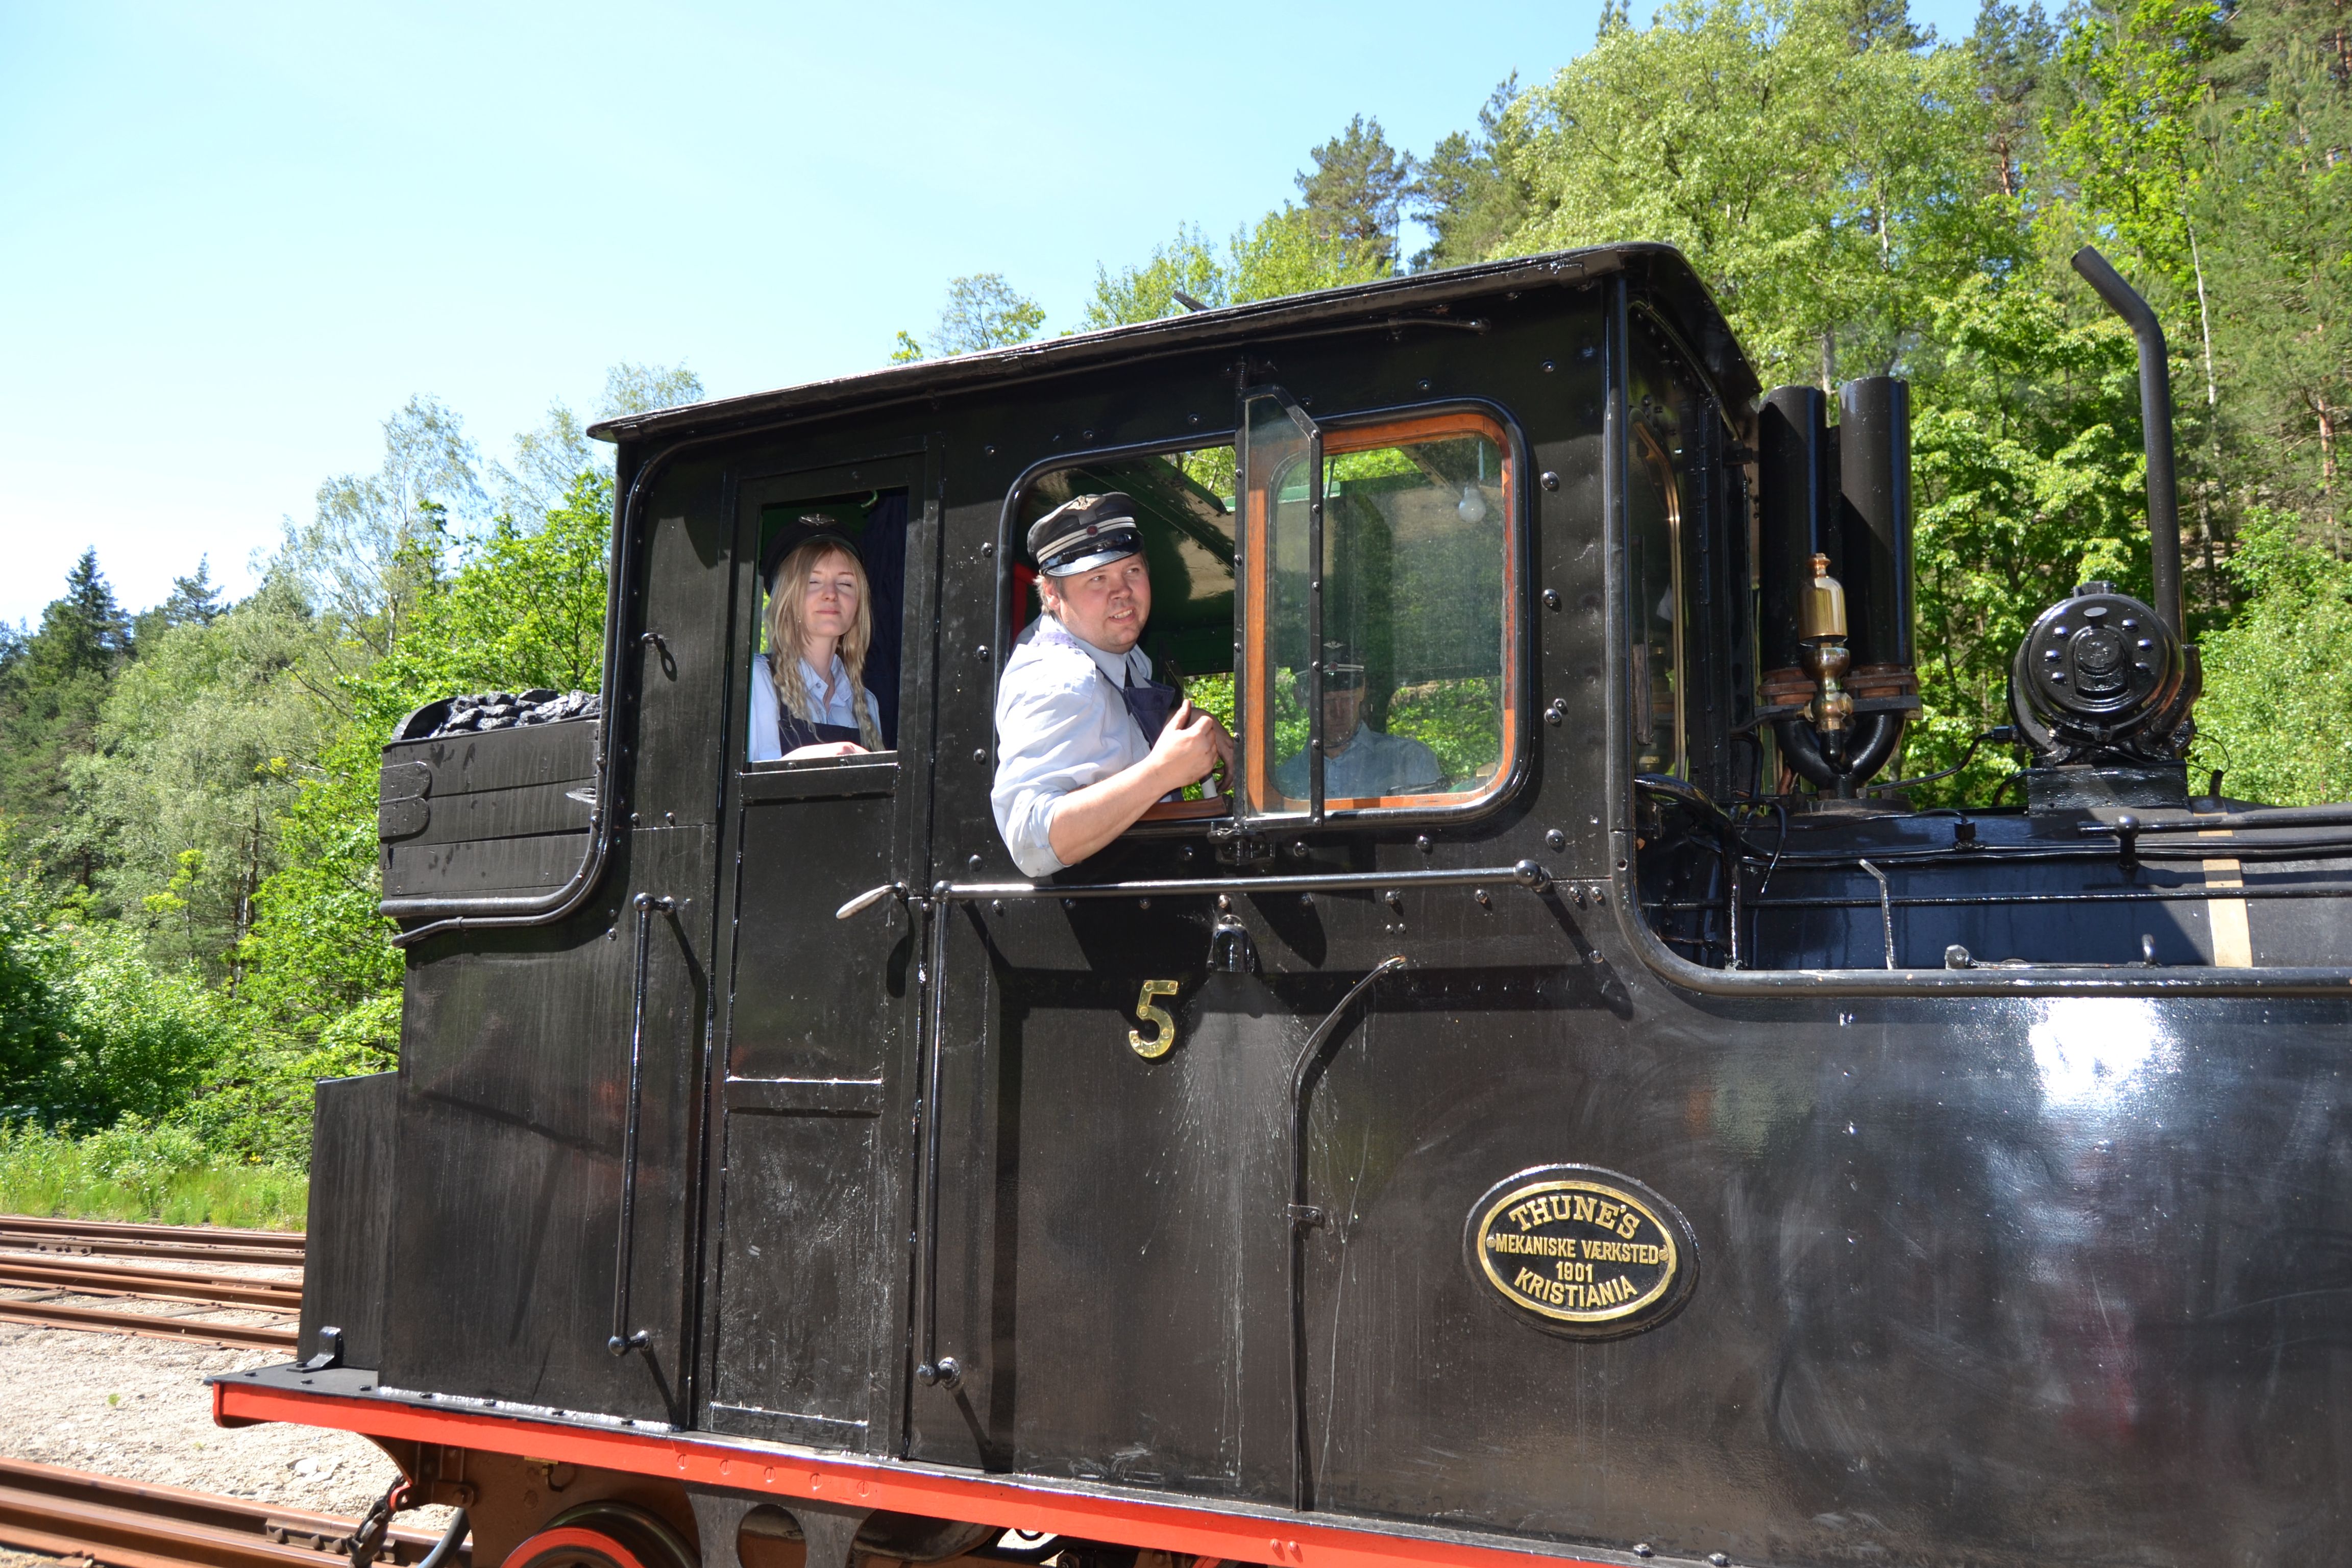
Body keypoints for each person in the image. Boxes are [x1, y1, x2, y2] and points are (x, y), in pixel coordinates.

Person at [992, 493, 1232, 877]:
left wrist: (1179, 721)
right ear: (1053, 593)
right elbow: (1031, 841)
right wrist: (1163, 772)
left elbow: (1106, 725)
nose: (1122, 591)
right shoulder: (1060, 678)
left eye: (1132, 571)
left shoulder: (1114, 652)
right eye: (1097, 578)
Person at [748, 520, 889, 763]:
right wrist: (838, 755)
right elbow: (753, 784)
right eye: (813, 581)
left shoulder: (866, 703)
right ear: (787, 597)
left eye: (845, 583)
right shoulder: (758, 680)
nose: (831, 594)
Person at [1273, 654, 1443, 800]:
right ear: (1299, 698)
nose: (1338, 712)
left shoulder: (1410, 760)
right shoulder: (1282, 781)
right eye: (1326, 702)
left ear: (1362, 691)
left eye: (1348, 699)